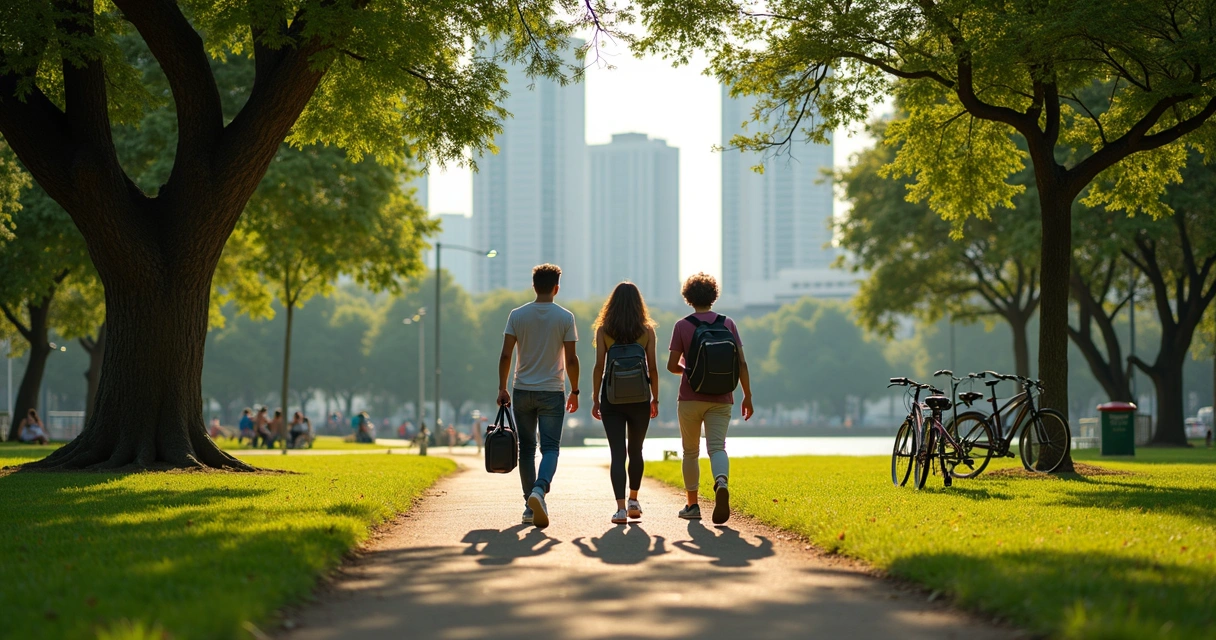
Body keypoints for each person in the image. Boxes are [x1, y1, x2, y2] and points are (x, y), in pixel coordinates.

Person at [666, 272, 754, 524]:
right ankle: (721, 482)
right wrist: (747, 396)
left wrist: (690, 370)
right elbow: (741, 363)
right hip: (722, 397)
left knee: (690, 452)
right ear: (714, 295)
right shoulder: (728, 323)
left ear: (688, 297)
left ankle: (692, 505)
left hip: (690, 398)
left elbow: (671, 365)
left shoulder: (682, 325)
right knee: (717, 447)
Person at [498, 263, 580, 529]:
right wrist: (575, 390)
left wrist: (502, 387)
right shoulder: (565, 317)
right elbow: (572, 359)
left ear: (533, 286)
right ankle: (539, 490)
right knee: (551, 448)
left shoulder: (517, 315)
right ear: (557, 288)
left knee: (526, 449)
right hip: (552, 391)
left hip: (522, 390)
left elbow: (506, 355)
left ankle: (528, 507)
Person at [591, 282, 660, 525]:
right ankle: (633, 501)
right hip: (640, 399)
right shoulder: (647, 331)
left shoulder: (604, 331)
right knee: (636, 450)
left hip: (611, 400)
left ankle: (620, 510)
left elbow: (599, 367)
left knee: (617, 453)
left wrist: (595, 398)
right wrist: (655, 398)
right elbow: (653, 368)